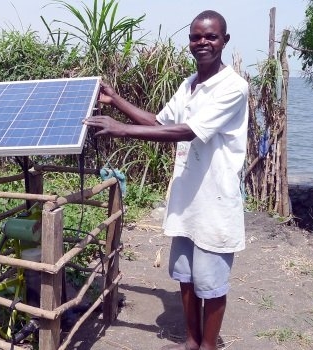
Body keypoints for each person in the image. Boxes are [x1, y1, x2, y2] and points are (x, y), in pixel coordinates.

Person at [84, 10, 249, 350]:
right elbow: (160, 122)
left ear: (225, 41)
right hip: (187, 200)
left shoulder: (234, 87)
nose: (202, 42)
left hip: (216, 202)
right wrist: (115, 100)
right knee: (187, 279)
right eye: (195, 37)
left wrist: (121, 129)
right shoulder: (189, 85)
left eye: (211, 36)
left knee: (212, 284)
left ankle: (208, 345)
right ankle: (191, 341)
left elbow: (188, 131)